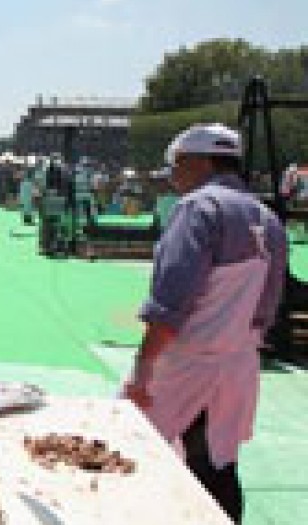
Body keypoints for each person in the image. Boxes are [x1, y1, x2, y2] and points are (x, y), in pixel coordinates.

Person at [124, 124, 286, 524]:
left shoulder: (199, 209)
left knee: (137, 453)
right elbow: (267, 309)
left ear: (197, 162)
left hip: (185, 361)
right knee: (217, 467)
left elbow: (169, 306)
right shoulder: (269, 220)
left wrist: (141, 375)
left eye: (175, 165)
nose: (173, 177)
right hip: (238, 366)